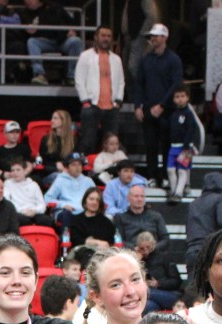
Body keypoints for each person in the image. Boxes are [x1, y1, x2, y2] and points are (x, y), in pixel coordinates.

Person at [134, 24, 182, 186]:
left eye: (156, 36)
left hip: (168, 110)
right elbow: (139, 83)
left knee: (167, 144)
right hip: (149, 107)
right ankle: (152, 176)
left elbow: (176, 84)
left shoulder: (173, 59)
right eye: (152, 36)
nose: (153, 38)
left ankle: (167, 176)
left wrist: (162, 105)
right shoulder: (146, 59)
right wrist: (138, 106)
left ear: (165, 37)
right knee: (151, 144)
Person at [75, 26, 124, 154]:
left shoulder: (116, 59)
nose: (106, 39)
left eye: (108, 36)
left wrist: (118, 101)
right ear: (96, 37)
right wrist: (85, 100)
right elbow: (79, 79)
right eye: (103, 35)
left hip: (111, 106)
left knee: (111, 143)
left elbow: (121, 81)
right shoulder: (85, 56)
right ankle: (86, 170)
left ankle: (109, 170)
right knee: (88, 141)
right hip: (92, 104)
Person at [164, 86, 199, 202]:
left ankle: (179, 193)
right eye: (177, 97)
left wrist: (187, 145)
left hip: (185, 147)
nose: (180, 99)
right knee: (170, 170)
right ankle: (173, 191)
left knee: (182, 170)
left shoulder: (189, 114)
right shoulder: (173, 114)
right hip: (173, 147)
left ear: (187, 98)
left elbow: (191, 130)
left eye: (182, 96)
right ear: (173, 99)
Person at [113, 184, 168, 253]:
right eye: (136, 196)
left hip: (154, 253)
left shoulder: (156, 216)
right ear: (128, 198)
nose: (139, 199)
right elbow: (118, 241)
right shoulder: (120, 218)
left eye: (142, 196)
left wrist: (153, 247)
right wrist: (135, 248)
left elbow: (165, 239)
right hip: (131, 254)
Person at [68, 186, 115, 266]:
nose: (94, 202)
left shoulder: (107, 223)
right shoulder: (76, 220)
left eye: (97, 200)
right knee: (88, 254)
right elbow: (76, 240)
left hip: (102, 254)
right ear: (85, 201)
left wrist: (90, 241)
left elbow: (109, 243)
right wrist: (97, 242)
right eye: (91, 199)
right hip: (81, 252)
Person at [134, 232, 180, 311]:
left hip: (168, 293)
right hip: (151, 298)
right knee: (147, 307)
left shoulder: (164, 257)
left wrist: (158, 284)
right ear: (138, 248)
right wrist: (136, 260)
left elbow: (177, 281)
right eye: (142, 248)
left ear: (153, 244)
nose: (145, 251)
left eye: (148, 247)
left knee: (145, 292)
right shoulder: (139, 260)